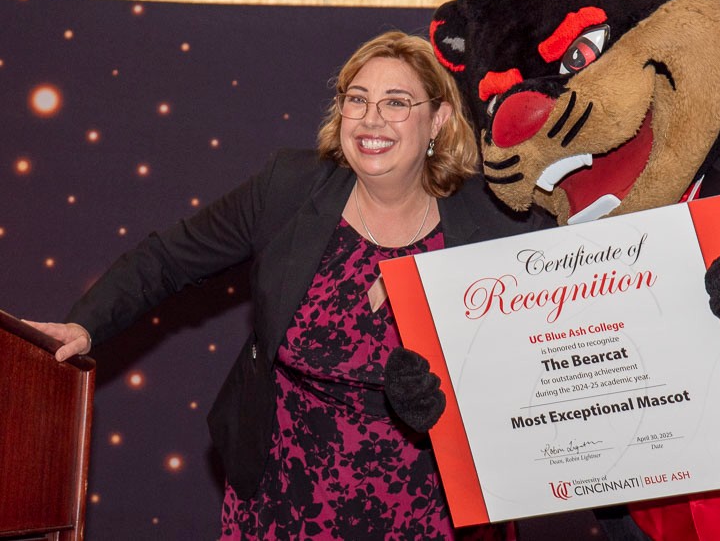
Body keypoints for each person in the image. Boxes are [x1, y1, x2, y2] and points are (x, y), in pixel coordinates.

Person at [25, 31, 534, 539]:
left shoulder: (491, 216)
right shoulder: (288, 187)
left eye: (396, 103)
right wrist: (85, 324)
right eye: (357, 99)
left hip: (425, 508)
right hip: (278, 498)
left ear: (438, 119)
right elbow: (167, 259)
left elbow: (536, 353)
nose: (372, 118)